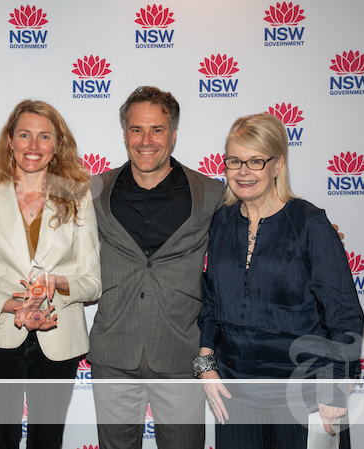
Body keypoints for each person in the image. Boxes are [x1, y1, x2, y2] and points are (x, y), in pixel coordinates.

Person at [197, 113, 364, 449]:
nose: (243, 171)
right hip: (235, 393)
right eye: (234, 160)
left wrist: (335, 389)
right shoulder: (221, 223)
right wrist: (205, 367)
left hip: (305, 393)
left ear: (277, 165)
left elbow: (344, 315)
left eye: (255, 161)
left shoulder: (309, 224)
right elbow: (211, 305)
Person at [0, 100, 102, 449]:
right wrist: (12, 305)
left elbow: (93, 281)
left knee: (48, 440)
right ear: (9, 140)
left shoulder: (76, 194)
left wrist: (58, 284)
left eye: (44, 137)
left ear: (57, 145)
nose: (33, 146)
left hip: (59, 337)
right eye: (24, 135)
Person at [87, 86, 226, 449]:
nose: (146, 140)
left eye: (157, 129)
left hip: (182, 355)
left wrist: (306, 229)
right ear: (125, 134)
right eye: (136, 129)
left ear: (174, 134)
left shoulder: (210, 193)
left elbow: (255, 221)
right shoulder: (93, 190)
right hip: (113, 353)